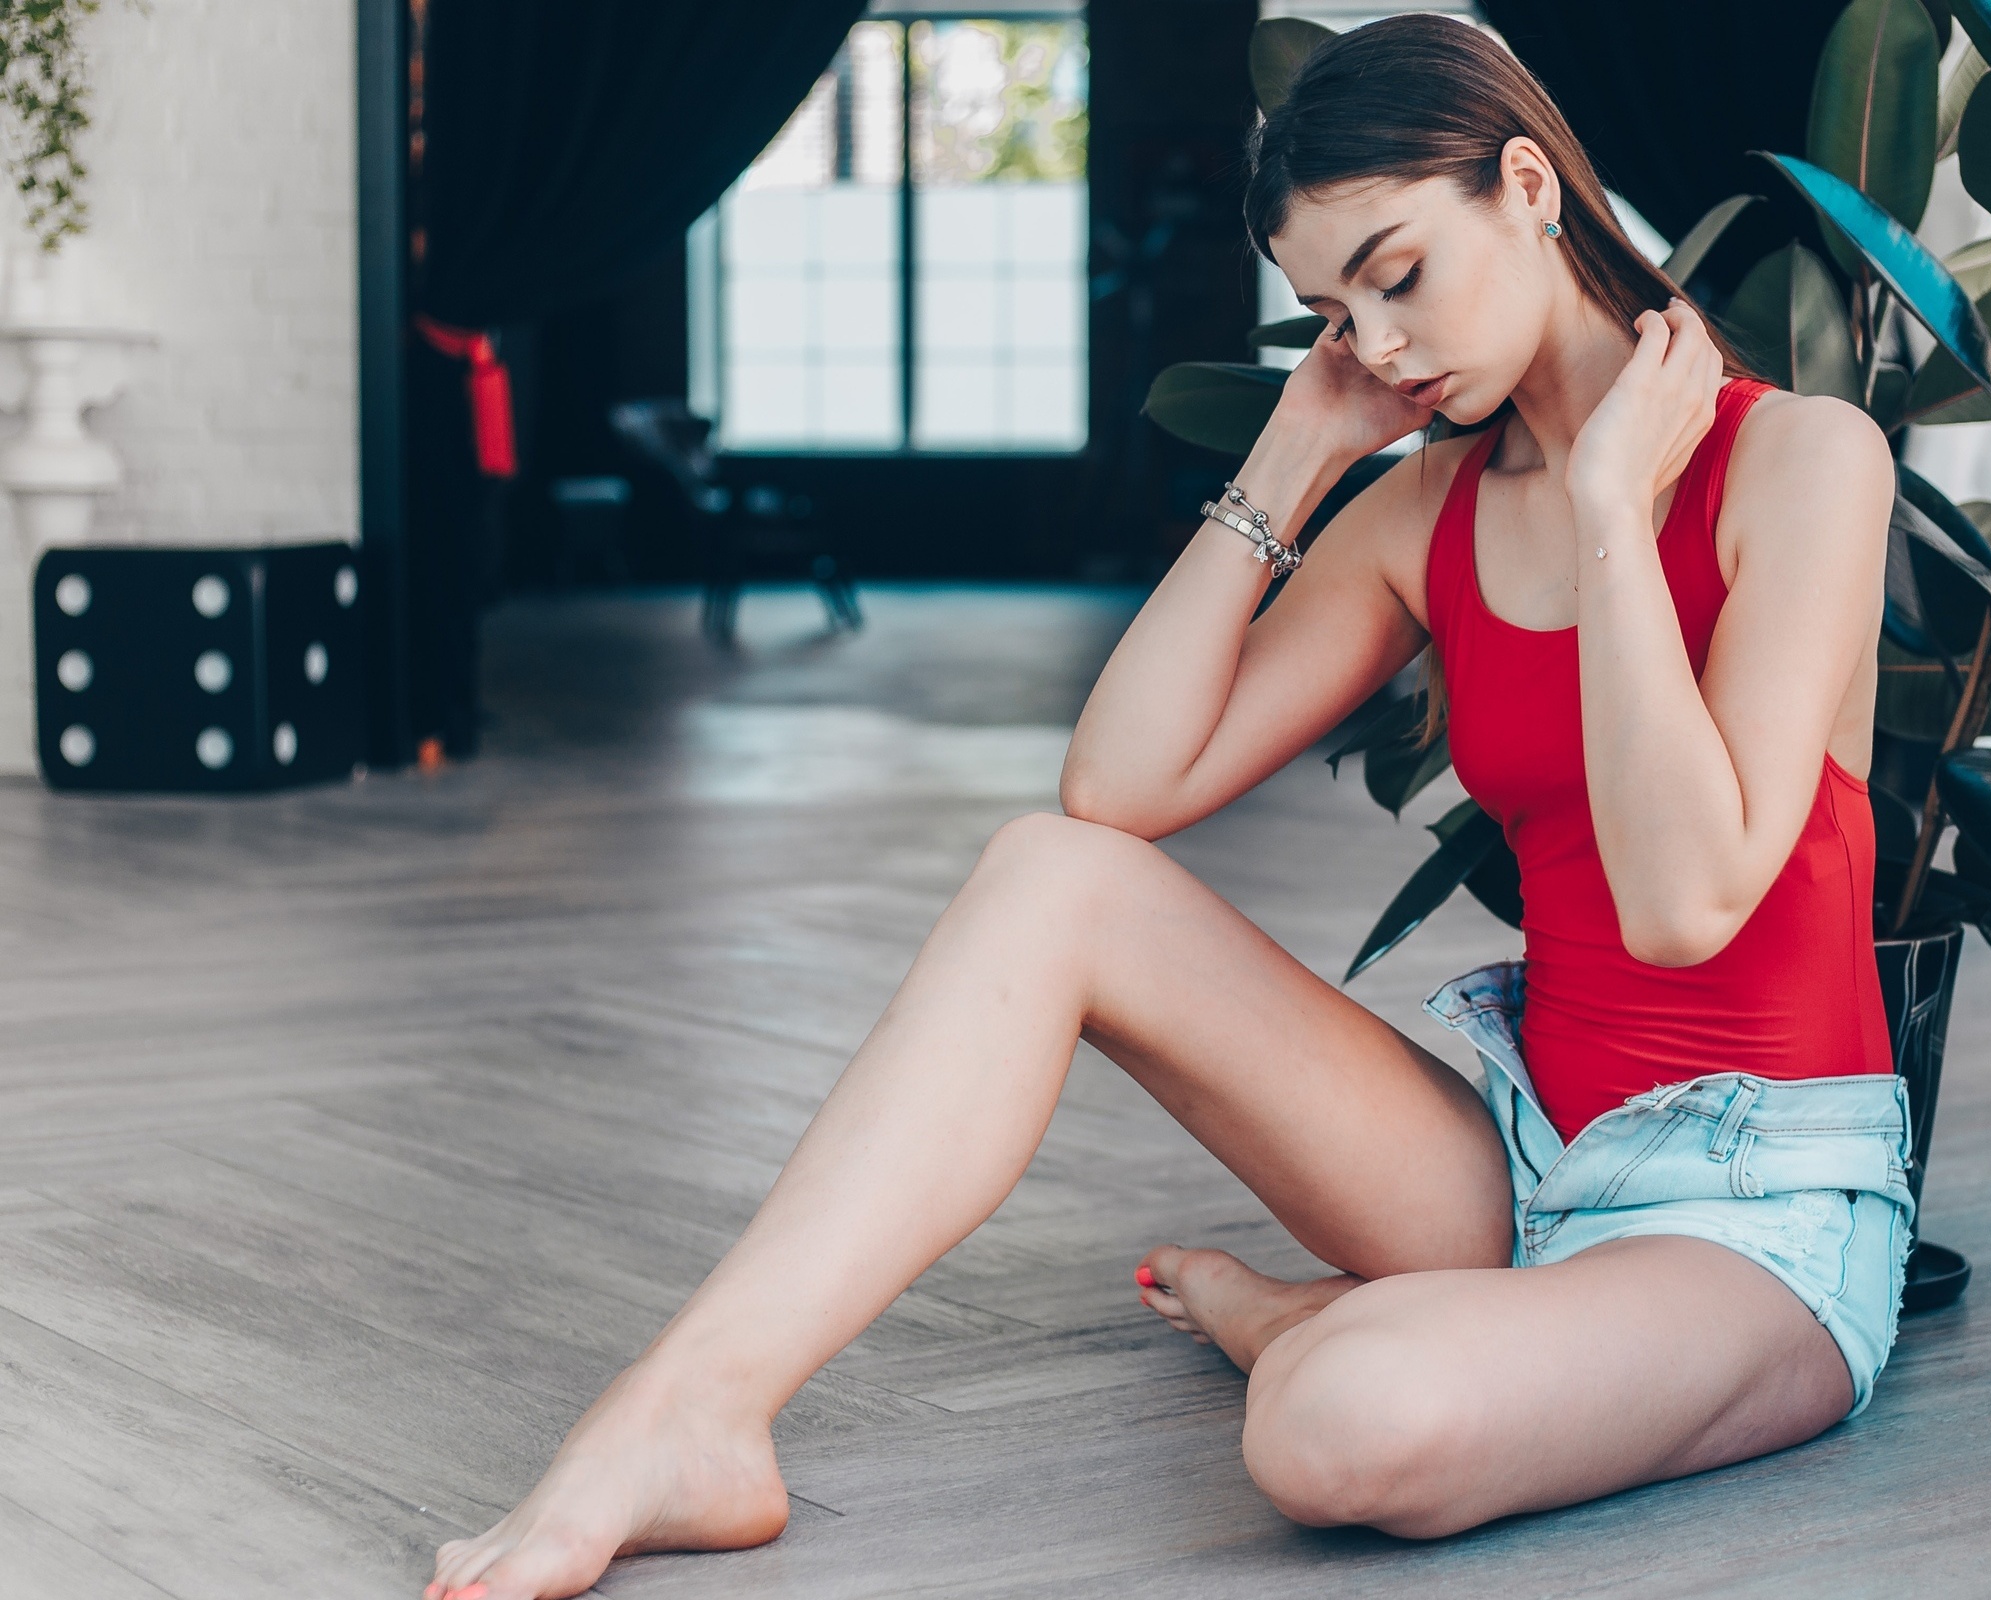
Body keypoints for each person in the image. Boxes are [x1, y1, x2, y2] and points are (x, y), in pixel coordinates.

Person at [425, 14, 1907, 1599]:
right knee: (1047, 877)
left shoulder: (1804, 461)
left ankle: (1304, 1321)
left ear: (1529, 187)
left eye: (1398, 276)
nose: (1384, 347)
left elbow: (1689, 902)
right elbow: (1115, 790)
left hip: (1759, 1216)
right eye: (1337, 314)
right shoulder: (1429, 510)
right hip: (1519, 1158)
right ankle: (688, 1412)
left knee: (1333, 1431)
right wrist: (1298, 440)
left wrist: (1615, 505)